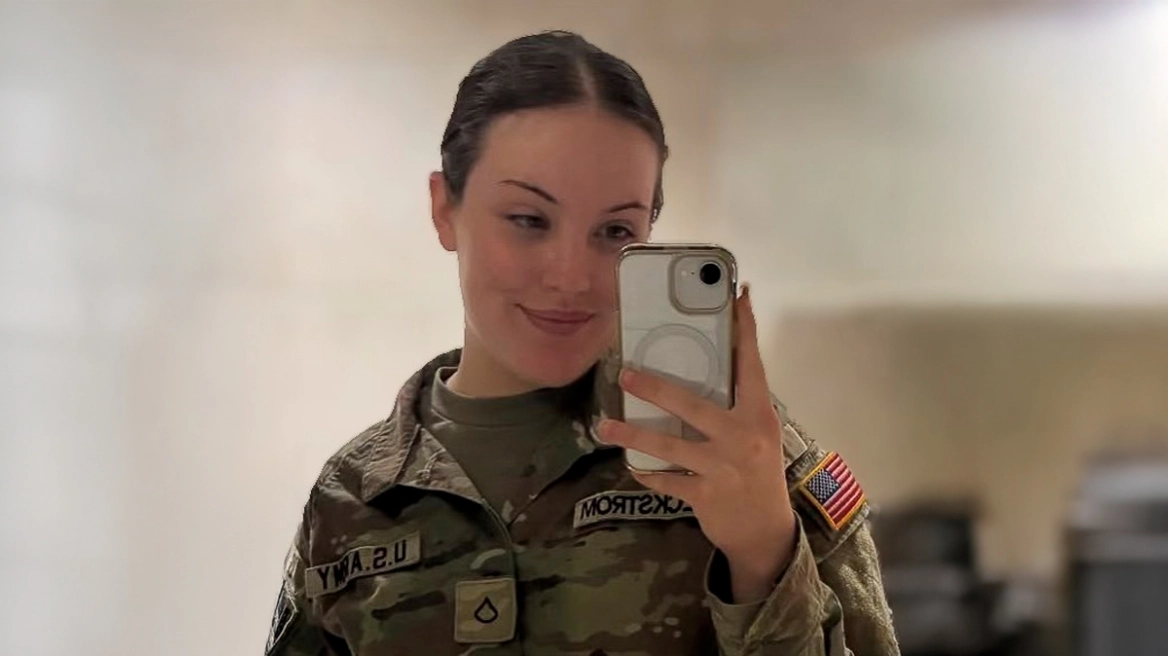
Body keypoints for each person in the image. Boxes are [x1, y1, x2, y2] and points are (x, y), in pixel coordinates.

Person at [265, 30, 899, 656]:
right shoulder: (351, 499)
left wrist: (764, 559)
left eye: (615, 231)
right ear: (443, 209)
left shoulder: (736, 457)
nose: (571, 277)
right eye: (528, 220)